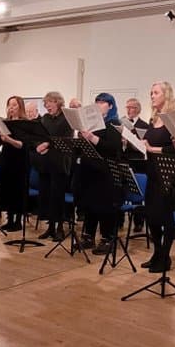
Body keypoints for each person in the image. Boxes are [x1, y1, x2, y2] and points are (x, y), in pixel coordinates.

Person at [140, 81, 175, 272]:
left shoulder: (174, 118)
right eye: (151, 92)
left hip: (167, 176)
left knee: (165, 218)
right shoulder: (154, 119)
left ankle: (165, 257)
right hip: (152, 173)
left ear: (166, 95)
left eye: (156, 92)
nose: (152, 96)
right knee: (152, 218)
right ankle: (157, 252)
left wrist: (153, 149)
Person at [74, 93, 124, 254]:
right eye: (97, 101)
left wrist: (92, 138)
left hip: (105, 172)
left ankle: (107, 239)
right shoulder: (90, 123)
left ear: (110, 106)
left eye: (103, 102)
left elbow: (113, 147)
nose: (99, 104)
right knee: (89, 204)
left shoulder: (114, 124)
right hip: (89, 169)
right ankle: (88, 237)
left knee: (104, 206)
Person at [34, 91, 73, 241]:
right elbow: (39, 135)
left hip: (60, 161)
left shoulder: (67, 117)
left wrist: (47, 144)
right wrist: (38, 145)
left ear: (58, 102)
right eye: (45, 103)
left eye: (50, 102)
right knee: (47, 195)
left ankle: (60, 228)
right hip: (45, 161)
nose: (47, 106)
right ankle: (50, 227)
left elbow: (65, 138)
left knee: (58, 195)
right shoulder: (45, 118)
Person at [0, 96, 29, 231]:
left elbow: (21, 144)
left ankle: (18, 221)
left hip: (19, 160)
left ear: (20, 107)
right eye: (9, 105)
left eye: (14, 105)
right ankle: (9, 219)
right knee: (7, 189)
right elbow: (0, 142)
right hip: (7, 158)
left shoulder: (25, 123)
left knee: (17, 189)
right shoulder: (5, 122)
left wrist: (8, 139)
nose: (11, 108)